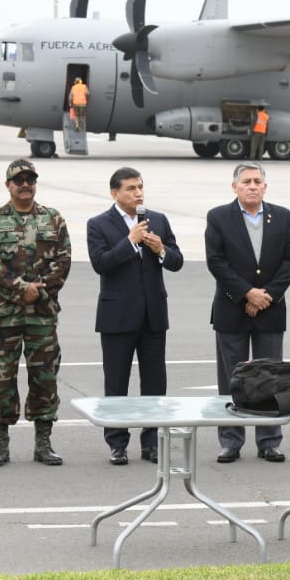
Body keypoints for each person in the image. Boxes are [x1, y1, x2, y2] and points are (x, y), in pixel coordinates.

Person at [0, 159, 72, 468]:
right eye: (19, 180)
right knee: (1, 380)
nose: (25, 184)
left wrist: (39, 291)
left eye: (30, 179)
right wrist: (20, 290)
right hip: (5, 316)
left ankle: (43, 443)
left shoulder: (53, 219)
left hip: (42, 315)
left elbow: (64, 260)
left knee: (44, 379)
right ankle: (0, 444)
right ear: (8, 185)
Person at [87, 167, 184, 466]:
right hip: (117, 316)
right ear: (115, 193)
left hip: (153, 315)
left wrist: (160, 249)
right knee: (116, 383)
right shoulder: (99, 224)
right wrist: (130, 241)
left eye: (140, 187)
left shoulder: (159, 220)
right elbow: (101, 263)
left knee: (155, 382)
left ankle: (152, 441)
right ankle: (117, 443)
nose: (138, 193)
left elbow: (177, 262)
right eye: (131, 188)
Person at [205, 163, 290, 463]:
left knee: (270, 377)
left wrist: (266, 296)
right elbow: (216, 261)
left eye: (258, 181)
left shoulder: (282, 216)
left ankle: (269, 439)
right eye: (246, 181)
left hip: (270, 310)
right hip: (232, 309)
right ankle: (231, 440)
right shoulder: (219, 216)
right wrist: (247, 293)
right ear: (234, 187)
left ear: (265, 187)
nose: (252, 186)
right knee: (232, 378)